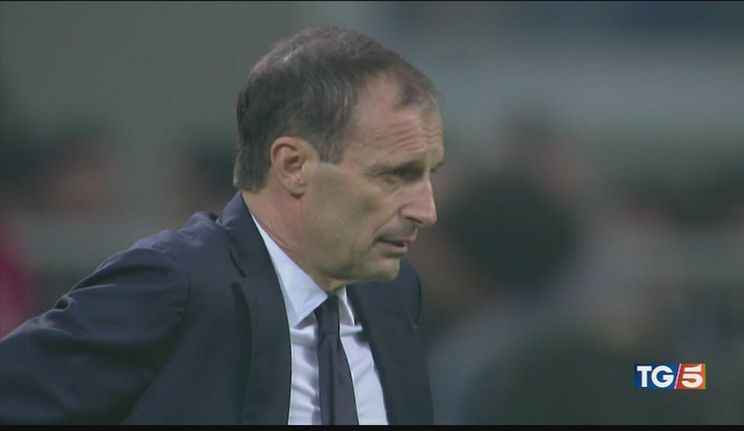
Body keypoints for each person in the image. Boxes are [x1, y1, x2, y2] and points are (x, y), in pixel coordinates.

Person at [0, 27, 444, 425]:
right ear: (293, 166)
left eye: (429, 174)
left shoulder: (393, 292)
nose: (426, 210)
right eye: (394, 176)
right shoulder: (174, 284)